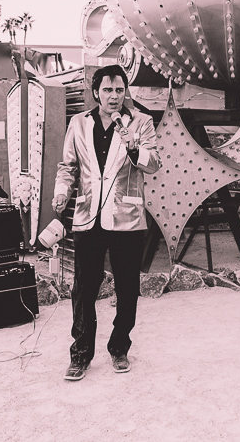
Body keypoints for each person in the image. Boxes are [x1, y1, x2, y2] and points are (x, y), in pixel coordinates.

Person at [52, 65, 161, 381]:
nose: (114, 96)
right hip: (88, 217)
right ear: (96, 92)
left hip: (127, 219)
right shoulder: (79, 123)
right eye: (108, 90)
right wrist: (62, 192)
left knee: (128, 289)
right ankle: (81, 354)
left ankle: (119, 347)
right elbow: (68, 167)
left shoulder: (140, 122)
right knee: (84, 289)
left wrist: (132, 144)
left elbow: (154, 163)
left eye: (119, 90)